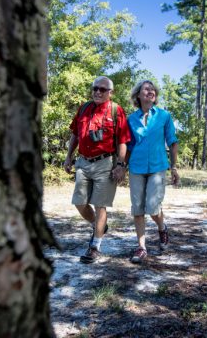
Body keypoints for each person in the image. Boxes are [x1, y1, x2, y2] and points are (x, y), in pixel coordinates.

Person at [63, 76, 131, 264]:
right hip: (83, 163)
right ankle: (98, 226)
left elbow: (123, 141)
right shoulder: (84, 108)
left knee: (100, 205)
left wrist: (120, 165)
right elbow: (75, 134)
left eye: (102, 89)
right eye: (95, 88)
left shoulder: (116, 110)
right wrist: (69, 156)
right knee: (79, 202)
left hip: (105, 163)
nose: (98, 92)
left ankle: (95, 246)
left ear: (111, 92)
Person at [125, 80, 179, 264]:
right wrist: (121, 166)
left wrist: (175, 167)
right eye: (146, 89)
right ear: (138, 95)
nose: (150, 91)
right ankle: (141, 247)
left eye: (152, 89)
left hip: (157, 167)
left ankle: (162, 228)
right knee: (137, 208)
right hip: (136, 167)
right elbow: (128, 146)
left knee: (153, 207)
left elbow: (172, 141)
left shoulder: (164, 116)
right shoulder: (131, 119)